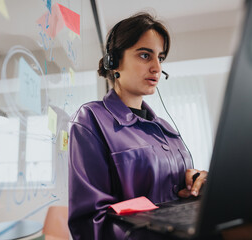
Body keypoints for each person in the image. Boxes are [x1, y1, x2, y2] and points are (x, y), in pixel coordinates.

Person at [68, 13, 207, 239]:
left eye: (160, 58)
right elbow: (91, 223)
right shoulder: (91, 119)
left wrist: (198, 186)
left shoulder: (166, 129)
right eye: (145, 55)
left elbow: (175, 192)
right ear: (114, 62)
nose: (156, 68)